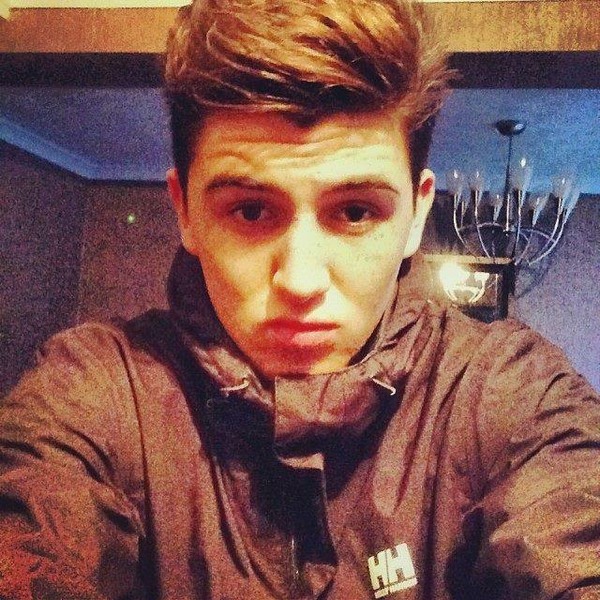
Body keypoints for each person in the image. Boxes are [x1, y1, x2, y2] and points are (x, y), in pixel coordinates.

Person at [1, 0, 599, 598]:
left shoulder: (511, 393)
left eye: (356, 212)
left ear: (417, 215)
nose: (301, 280)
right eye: (250, 210)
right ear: (184, 210)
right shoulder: (95, 389)